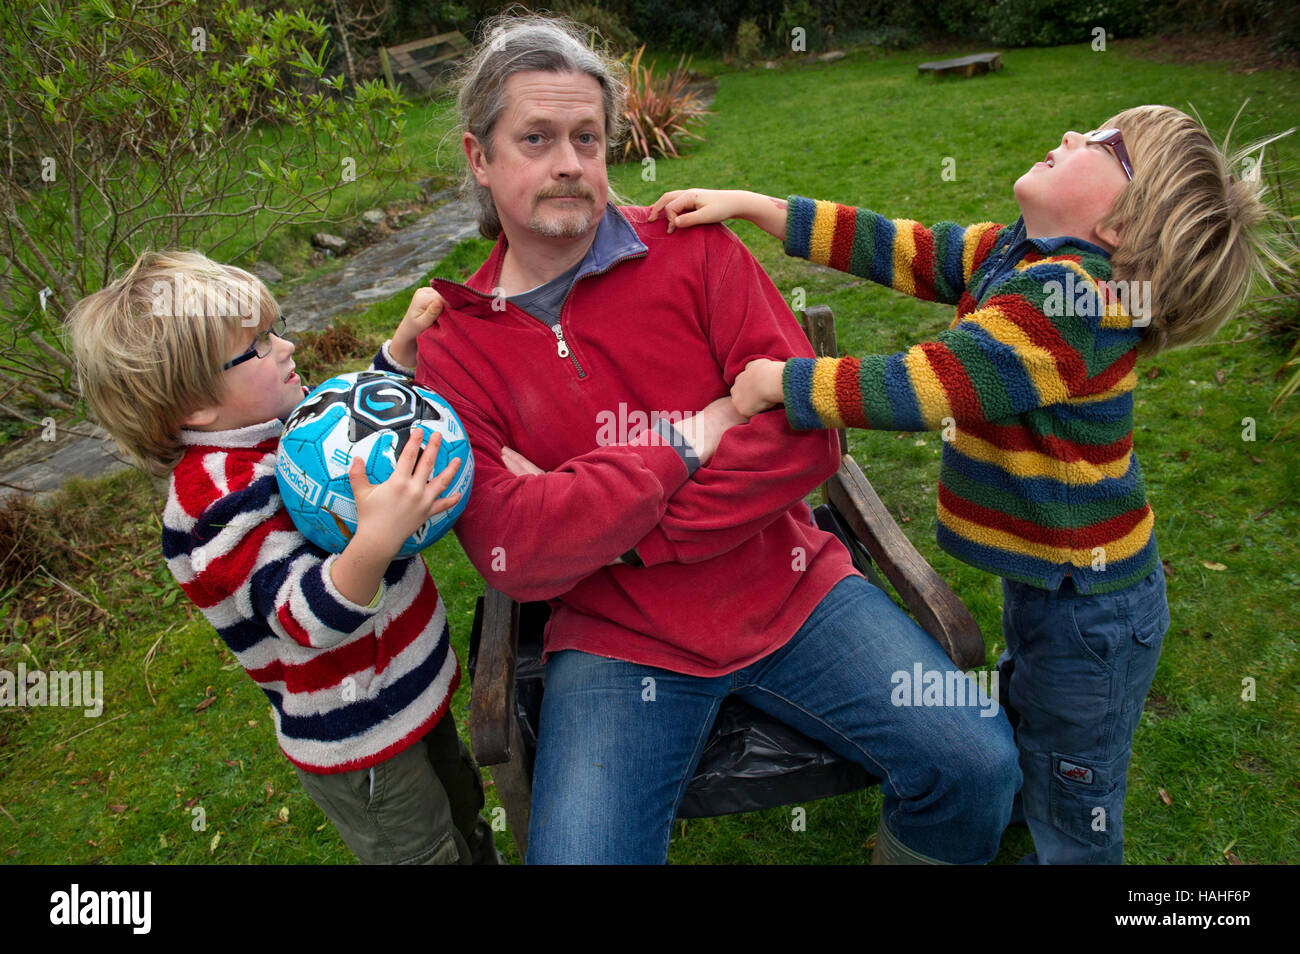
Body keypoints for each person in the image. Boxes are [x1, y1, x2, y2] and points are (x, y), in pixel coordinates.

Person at [414, 14, 1020, 865]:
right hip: (616, 643)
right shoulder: (455, 343)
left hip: (794, 590)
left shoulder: (694, 252)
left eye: (587, 138)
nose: (569, 165)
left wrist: (608, 527)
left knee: (978, 767)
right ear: (481, 158)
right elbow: (519, 552)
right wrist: (692, 438)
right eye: (537, 138)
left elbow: (810, 440)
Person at [650, 105, 1288, 862]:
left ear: (1120, 227)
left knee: (1073, 791)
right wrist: (752, 205)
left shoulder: (1072, 304)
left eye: (1105, 145)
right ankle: (1015, 816)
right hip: (1054, 587)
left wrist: (779, 383)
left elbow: (934, 383)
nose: (1074, 136)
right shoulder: (1021, 255)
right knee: (1032, 728)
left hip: (1093, 609)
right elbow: (904, 247)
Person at [66, 252, 500, 865]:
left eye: (276, 327)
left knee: (465, 815)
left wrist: (398, 355)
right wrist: (376, 539)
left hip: (415, 695)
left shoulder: (271, 425)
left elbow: (350, 432)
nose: (287, 346)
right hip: (361, 739)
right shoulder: (211, 501)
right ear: (194, 404)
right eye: (258, 346)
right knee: (425, 852)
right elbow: (302, 616)